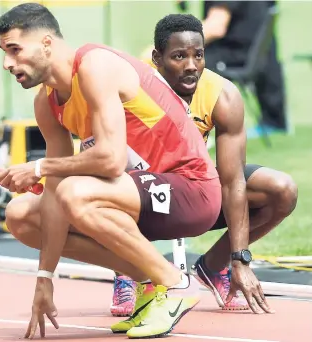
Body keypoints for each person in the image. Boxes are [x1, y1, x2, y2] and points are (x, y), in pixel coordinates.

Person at [0, 3, 223, 340]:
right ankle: (148, 287)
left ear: (46, 43)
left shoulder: (94, 66)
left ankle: (176, 284)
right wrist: (45, 277)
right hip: (134, 197)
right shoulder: (46, 102)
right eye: (3, 52)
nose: (8, 63)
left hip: (192, 190)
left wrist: (38, 167)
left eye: (15, 49)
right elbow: (55, 191)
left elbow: (111, 160)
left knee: (76, 192)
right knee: (22, 216)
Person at [111, 13, 297, 331]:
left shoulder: (221, 94)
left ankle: (214, 266)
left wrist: (241, 256)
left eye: (198, 55)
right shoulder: (130, 87)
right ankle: (129, 269)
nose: (191, 66)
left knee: (281, 190)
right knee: (111, 186)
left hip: (194, 192)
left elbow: (232, 179)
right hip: (137, 192)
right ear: (157, 58)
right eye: (179, 56)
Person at [201, 0, 288, 137]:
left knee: (175, 61)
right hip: (256, 55)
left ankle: (181, 131)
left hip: (231, 57)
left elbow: (216, 27)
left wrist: (172, 42)